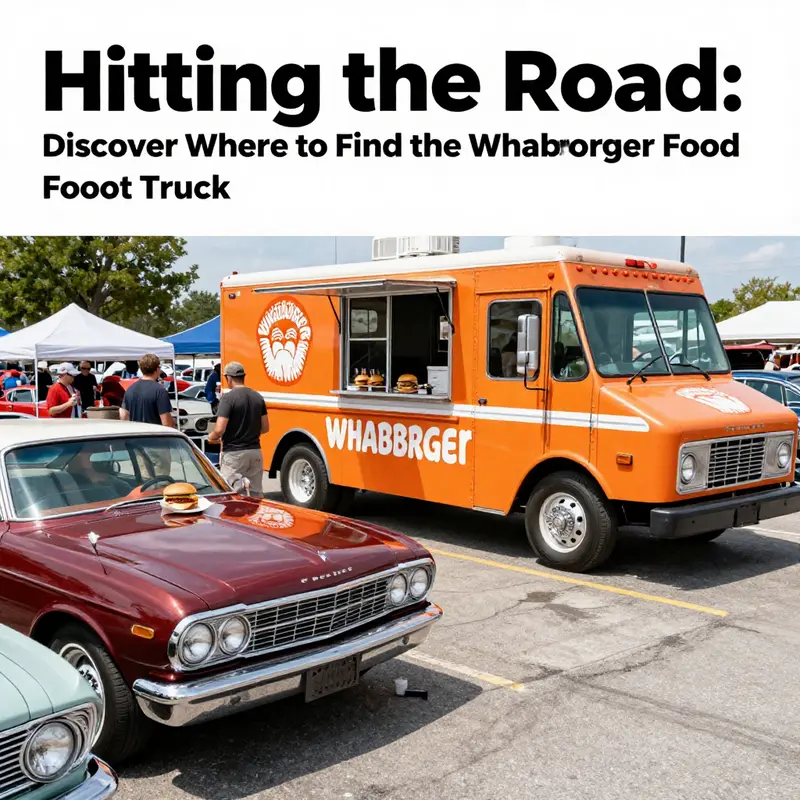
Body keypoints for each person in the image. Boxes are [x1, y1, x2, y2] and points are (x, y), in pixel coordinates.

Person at [208, 362, 268, 497]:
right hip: (255, 451)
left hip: (234, 453)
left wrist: (211, 437)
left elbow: (220, 429)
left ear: (228, 378)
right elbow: (265, 428)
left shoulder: (228, 398)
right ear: (243, 377)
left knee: (231, 493)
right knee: (255, 493)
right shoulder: (258, 397)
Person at [119, 354, 175, 426]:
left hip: (135, 434)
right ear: (157, 369)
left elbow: (123, 415)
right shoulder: (160, 391)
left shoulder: (130, 389)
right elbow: (166, 423)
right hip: (154, 435)